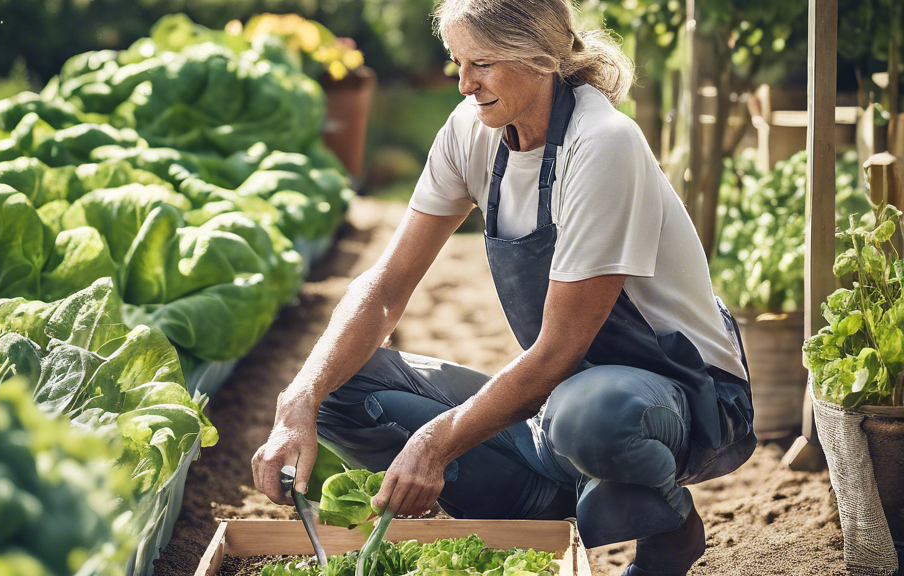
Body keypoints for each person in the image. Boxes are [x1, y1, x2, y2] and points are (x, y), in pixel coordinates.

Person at [252, 0, 755, 574]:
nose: (465, 84)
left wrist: (434, 443)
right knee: (340, 386)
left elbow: (560, 349)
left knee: (591, 414)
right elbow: (388, 284)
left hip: (683, 397)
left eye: (482, 64)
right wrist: (299, 399)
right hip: (560, 394)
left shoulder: (602, 143)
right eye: (457, 63)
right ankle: (542, 504)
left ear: (540, 57)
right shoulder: (472, 132)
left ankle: (670, 527)